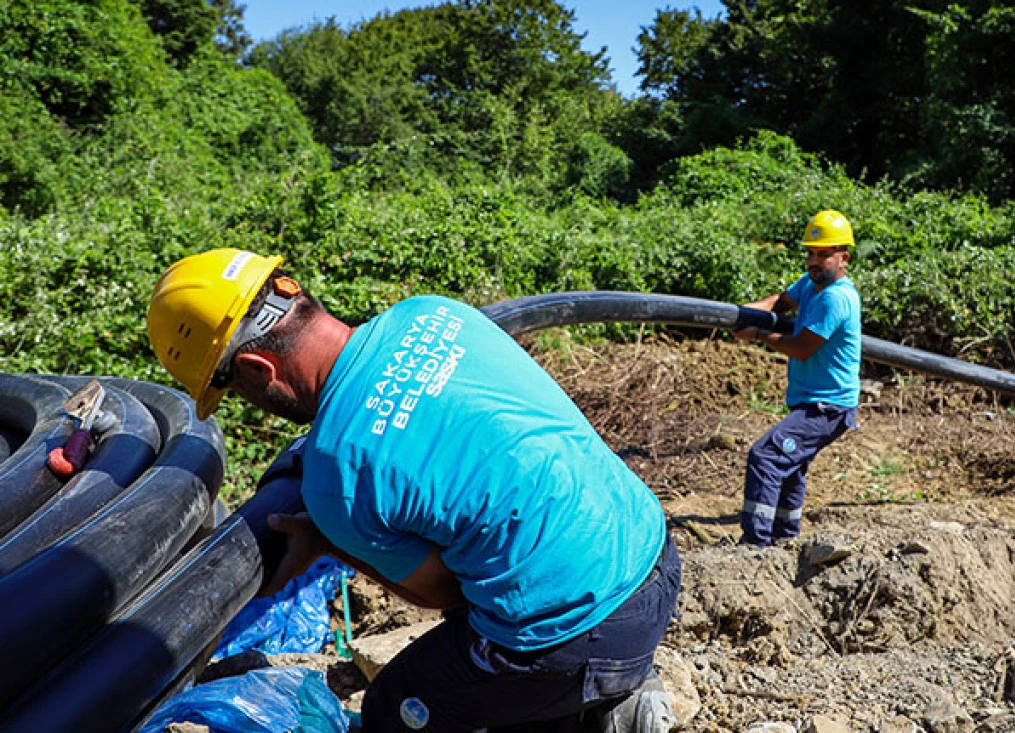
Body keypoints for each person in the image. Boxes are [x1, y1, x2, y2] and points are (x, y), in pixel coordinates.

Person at [146, 249, 680, 732]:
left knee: (395, 708)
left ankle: (599, 694)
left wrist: (329, 544)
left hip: (578, 638)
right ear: (290, 291)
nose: (245, 399)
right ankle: (604, 703)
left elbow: (444, 594)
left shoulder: (338, 475)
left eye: (231, 389)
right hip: (654, 556)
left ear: (256, 368)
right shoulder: (431, 313)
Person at [733, 209, 862, 547]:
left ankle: (754, 544)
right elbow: (780, 301)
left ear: (843, 257)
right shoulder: (811, 284)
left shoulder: (836, 298)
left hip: (828, 407)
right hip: (813, 402)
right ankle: (784, 540)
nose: (814, 260)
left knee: (766, 456)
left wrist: (758, 334)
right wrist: (740, 313)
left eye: (824, 254)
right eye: (811, 252)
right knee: (791, 467)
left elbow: (803, 347)